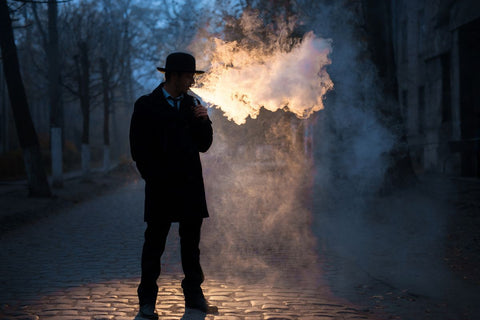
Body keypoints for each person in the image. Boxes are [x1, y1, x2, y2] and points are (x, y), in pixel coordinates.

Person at [129, 52, 215, 320]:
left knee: (191, 247)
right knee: (154, 245)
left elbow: (204, 145)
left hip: (189, 187)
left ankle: (194, 297)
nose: (192, 80)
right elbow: (138, 150)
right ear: (174, 76)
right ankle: (146, 302)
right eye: (189, 75)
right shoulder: (146, 105)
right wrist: (154, 178)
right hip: (161, 188)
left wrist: (204, 120)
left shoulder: (193, 105)